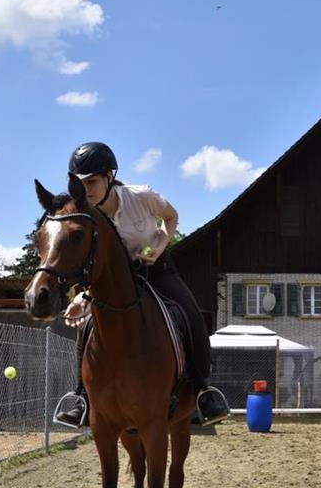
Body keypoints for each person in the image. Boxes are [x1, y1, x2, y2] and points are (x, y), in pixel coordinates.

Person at [54, 141, 229, 427]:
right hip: (116, 283)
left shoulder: (142, 196)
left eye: (93, 181)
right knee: (87, 329)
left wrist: (156, 248)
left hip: (157, 271)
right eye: (80, 183)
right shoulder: (86, 217)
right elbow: (93, 267)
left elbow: (171, 218)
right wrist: (81, 297)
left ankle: (204, 391)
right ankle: (82, 396)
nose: (87, 190)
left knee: (193, 317)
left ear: (109, 177)